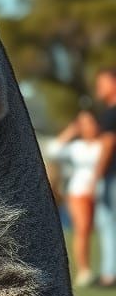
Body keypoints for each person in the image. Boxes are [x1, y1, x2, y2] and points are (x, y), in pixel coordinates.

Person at [50, 111, 105, 286]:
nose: (88, 127)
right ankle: (84, 269)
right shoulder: (77, 147)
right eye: (83, 124)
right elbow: (53, 150)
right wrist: (71, 132)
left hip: (101, 192)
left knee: (100, 230)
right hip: (79, 191)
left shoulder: (103, 144)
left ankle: (106, 270)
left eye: (90, 122)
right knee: (82, 228)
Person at [94, 67, 116, 287]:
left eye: (102, 82)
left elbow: (109, 144)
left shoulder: (112, 113)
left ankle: (110, 274)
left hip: (112, 177)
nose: (98, 88)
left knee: (108, 224)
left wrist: (97, 174)